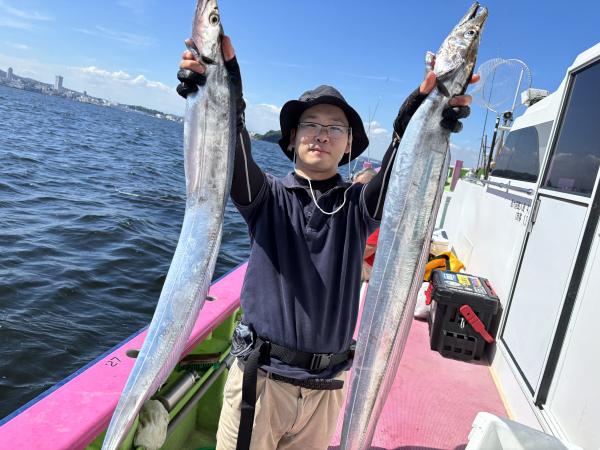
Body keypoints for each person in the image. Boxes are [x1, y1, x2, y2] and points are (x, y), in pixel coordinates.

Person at [177, 35, 476, 450]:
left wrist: (416, 122)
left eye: (335, 128)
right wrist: (221, 93)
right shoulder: (265, 197)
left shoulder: (357, 206)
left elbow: (398, 176)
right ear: (292, 139)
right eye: (311, 125)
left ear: (349, 144)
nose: (322, 135)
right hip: (259, 386)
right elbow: (231, 149)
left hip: (327, 391)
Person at [352, 168, 379, 282]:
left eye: (360, 187)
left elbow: (369, 248)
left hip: (366, 271)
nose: (354, 191)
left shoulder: (377, 215)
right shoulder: (357, 211)